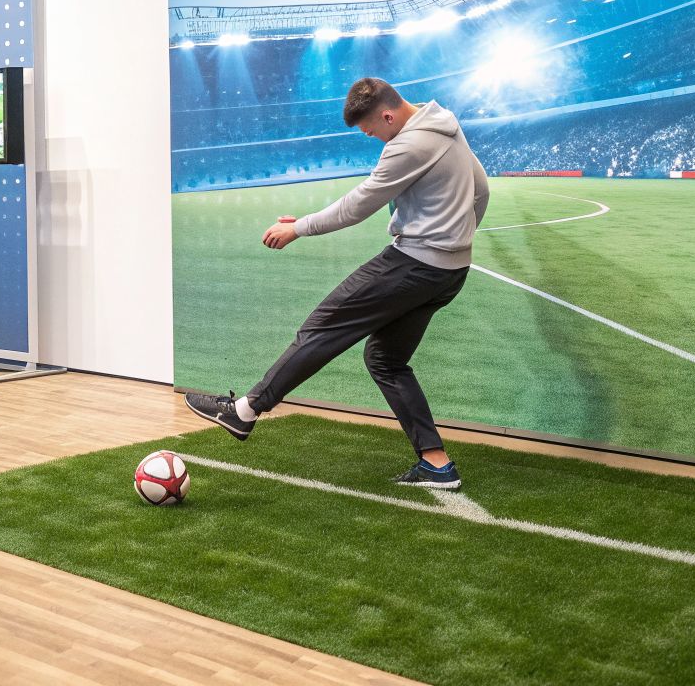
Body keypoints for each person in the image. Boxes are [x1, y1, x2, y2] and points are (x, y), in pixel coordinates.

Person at [184, 78, 489, 490]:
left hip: (415, 262)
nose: (372, 138)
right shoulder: (445, 124)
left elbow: (358, 205)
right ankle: (436, 464)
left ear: (387, 114)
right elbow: (481, 189)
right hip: (450, 270)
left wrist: (299, 229)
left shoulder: (409, 144)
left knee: (323, 325)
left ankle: (245, 410)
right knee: (385, 359)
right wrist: (456, 240)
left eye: (371, 130)